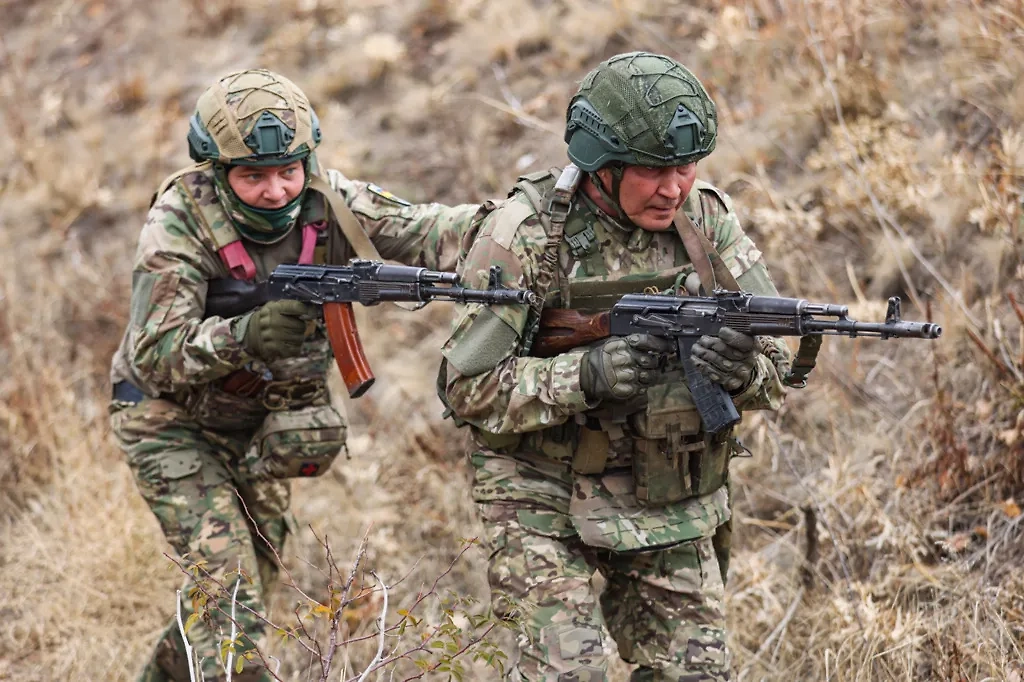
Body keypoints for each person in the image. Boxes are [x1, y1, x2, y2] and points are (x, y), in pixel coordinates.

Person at [109, 68, 477, 682]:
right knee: (229, 597)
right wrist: (242, 335)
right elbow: (152, 354)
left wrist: (519, 228)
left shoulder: (329, 201)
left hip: (258, 426)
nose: (277, 190)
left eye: (289, 171)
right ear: (217, 172)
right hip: (168, 422)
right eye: (253, 176)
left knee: (247, 581)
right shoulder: (178, 222)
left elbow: (429, 230)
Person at [438, 52, 793, 681]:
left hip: (667, 489)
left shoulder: (706, 221)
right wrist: (584, 376)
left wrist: (743, 371)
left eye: (686, 167)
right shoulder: (524, 234)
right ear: (601, 164)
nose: (674, 188)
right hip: (539, 491)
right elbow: (465, 388)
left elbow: (776, 359)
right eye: (654, 171)